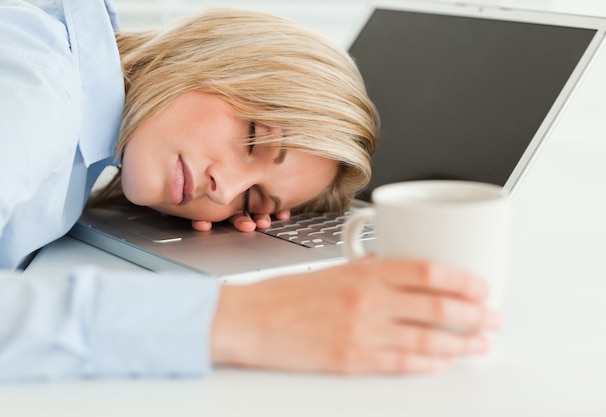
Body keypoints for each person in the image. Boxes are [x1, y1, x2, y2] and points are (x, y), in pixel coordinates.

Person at [0, 0, 500, 380]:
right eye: (254, 139)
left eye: (251, 200)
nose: (224, 190)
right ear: (214, 55)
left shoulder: (83, 122)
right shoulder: (37, 93)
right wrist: (239, 319)